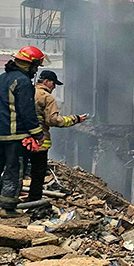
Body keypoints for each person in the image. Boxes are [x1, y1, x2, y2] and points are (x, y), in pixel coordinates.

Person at [0, 46, 45, 215]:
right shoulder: (23, 81)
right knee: (14, 169)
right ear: (32, 64)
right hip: (15, 135)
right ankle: (8, 206)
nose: (36, 70)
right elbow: (27, 111)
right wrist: (38, 133)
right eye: (36, 66)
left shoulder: (1, 78)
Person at [27, 70, 86, 201]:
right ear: (46, 82)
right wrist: (75, 119)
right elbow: (52, 120)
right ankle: (33, 200)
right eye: (53, 84)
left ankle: (8, 199)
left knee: (17, 170)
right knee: (38, 172)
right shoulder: (46, 97)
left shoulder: (26, 91)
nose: (54, 87)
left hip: (20, 139)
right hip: (39, 142)